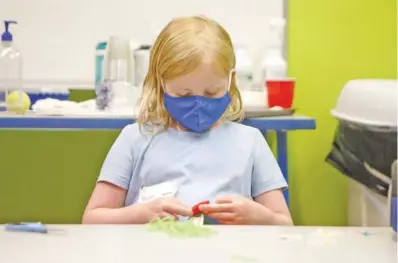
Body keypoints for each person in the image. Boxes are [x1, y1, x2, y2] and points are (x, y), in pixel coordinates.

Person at [82, 15, 292, 225]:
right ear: (161, 82)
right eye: (184, 94)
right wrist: (140, 214)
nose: (199, 103)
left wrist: (260, 217)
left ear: (231, 80)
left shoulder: (250, 142)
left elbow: (285, 224)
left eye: (211, 92)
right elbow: (92, 219)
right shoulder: (135, 139)